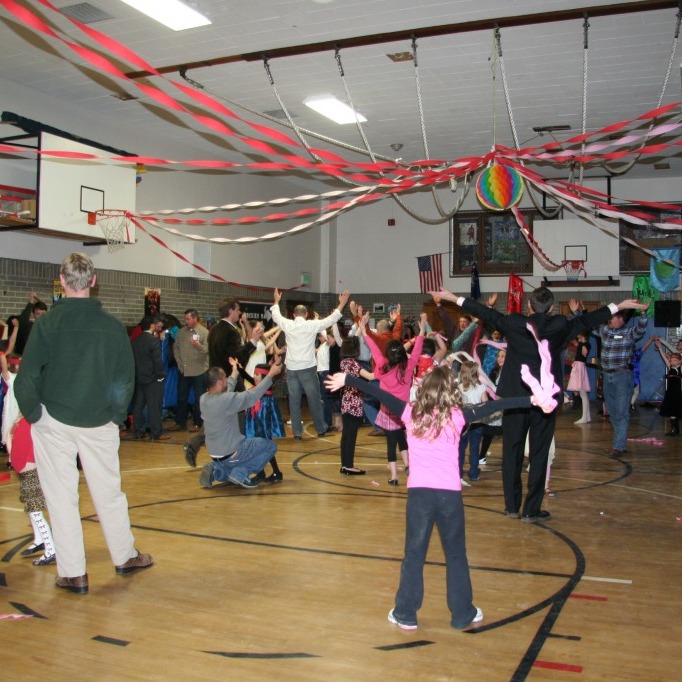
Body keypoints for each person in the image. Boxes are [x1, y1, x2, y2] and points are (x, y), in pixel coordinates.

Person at [325, 354, 558, 631]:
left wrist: (348, 379)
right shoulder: (459, 416)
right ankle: (462, 614)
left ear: (423, 390)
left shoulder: (409, 412)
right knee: (456, 555)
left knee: (414, 554)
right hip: (449, 497)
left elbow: (379, 392)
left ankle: (405, 614)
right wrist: (533, 400)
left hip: (420, 497)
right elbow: (498, 404)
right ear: (451, 391)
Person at [432, 286, 649, 522]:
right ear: (552, 307)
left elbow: (485, 313)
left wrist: (454, 297)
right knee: (539, 453)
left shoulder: (514, 323)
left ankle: (512, 506)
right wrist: (619, 306)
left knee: (512, 451)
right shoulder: (558, 326)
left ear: (529, 306)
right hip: (544, 400)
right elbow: (588, 319)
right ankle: (531, 509)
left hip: (515, 398)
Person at [14, 253, 153, 595]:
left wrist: (33, 413)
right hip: (99, 421)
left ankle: (73, 573)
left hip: (53, 421)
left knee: (60, 496)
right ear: (93, 281)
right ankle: (123, 556)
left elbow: (26, 376)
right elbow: (125, 379)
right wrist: (116, 415)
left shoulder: (46, 324)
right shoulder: (111, 326)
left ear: (62, 282)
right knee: (109, 493)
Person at [270, 288, 350, 439]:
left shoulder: (287, 324)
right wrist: (341, 304)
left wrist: (276, 301)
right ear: (306, 315)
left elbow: (276, 315)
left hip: (292, 369)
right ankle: (320, 429)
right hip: (307, 369)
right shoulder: (311, 325)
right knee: (314, 400)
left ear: (294, 315)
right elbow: (330, 320)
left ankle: (297, 433)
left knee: (294, 401)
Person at [1, 351, 56, 567]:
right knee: (31, 505)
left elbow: (26, 451)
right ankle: (41, 540)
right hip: (27, 466)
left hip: (30, 468)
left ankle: (51, 548)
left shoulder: (29, 423)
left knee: (34, 506)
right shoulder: (22, 421)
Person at [360, 312, 426, 485]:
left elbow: (374, 349)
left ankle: (394, 477)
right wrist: (422, 329)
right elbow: (417, 350)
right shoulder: (408, 367)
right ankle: (408, 465)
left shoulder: (382, 367)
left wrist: (364, 330)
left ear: (388, 355)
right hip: (404, 411)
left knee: (391, 444)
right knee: (402, 438)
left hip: (388, 412)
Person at [199, 357, 283, 489]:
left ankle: (216, 470)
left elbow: (226, 392)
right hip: (232, 452)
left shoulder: (203, 399)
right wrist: (271, 374)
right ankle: (241, 473)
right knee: (270, 446)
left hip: (215, 453)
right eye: (225, 378)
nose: (227, 380)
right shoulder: (226, 400)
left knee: (229, 466)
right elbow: (252, 396)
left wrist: (234, 373)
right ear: (220, 381)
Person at [597, 306, 650, 456]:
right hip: (607, 376)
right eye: (614, 318)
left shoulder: (628, 332)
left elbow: (640, 329)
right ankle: (620, 442)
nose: (610, 321)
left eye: (619, 318)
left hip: (622, 376)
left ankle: (618, 446)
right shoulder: (604, 331)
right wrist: (576, 313)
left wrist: (644, 313)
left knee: (621, 412)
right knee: (613, 412)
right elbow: (589, 324)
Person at [338, 336, 374, 475]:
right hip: (354, 402)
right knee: (351, 435)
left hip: (346, 400)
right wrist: (385, 372)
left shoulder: (344, 362)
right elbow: (370, 377)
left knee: (346, 434)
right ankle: (349, 465)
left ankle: (345, 465)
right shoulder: (354, 364)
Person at [131, 315, 169, 442]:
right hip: (152, 378)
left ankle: (138, 431)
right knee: (154, 406)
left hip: (138, 377)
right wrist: (160, 376)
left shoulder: (135, 340)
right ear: (152, 325)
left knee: (138, 405)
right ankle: (156, 433)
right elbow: (157, 361)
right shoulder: (153, 341)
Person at [245, 363, 285, 483]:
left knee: (264, 446)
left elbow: (266, 416)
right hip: (256, 423)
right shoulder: (257, 393)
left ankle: (276, 472)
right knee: (258, 447)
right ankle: (262, 473)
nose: (254, 377)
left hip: (262, 425)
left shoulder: (266, 397)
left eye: (257, 374)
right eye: (254, 374)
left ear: (264, 376)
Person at [173, 308, 209, 432]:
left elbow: (207, 350)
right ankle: (180, 422)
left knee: (200, 398)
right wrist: (179, 363)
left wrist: (198, 346)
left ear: (195, 318)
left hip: (199, 371)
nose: (186, 321)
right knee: (181, 397)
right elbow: (176, 348)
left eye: (188, 319)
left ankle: (199, 423)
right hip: (184, 371)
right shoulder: (182, 332)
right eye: (185, 319)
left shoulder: (204, 332)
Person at [457, 360, 487, 484]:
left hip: (463, 423)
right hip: (477, 422)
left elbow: (457, 404)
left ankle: (459, 474)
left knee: (460, 449)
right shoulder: (481, 387)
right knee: (474, 448)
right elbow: (485, 404)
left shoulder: (459, 388)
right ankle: (474, 473)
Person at [654, 340, 681, 436]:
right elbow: (663, 356)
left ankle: (676, 429)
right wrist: (660, 347)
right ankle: (674, 429)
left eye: (674, 360)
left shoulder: (680, 368)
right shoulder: (670, 367)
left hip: (679, 393)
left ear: (679, 361)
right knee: (672, 411)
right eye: (671, 360)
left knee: (678, 410)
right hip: (671, 392)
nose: (672, 361)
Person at [567, 332, 592, 425]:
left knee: (582, 393)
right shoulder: (582, 344)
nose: (577, 335)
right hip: (579, 366)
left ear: (583, 335)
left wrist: (581, 345)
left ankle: (585, 417)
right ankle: (587, 416)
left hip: (579, 367)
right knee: (583, 393)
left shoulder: (585, 344)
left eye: (579, 334)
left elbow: (584, 354)